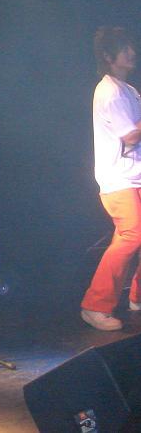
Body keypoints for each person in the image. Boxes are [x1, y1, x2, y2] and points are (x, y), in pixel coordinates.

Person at [81, 26, 141, 331]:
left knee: (132, 235)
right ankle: (95, 305)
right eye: (123, 48)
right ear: (108, 56)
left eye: (131, 47)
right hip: (119, 179)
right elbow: (130, 136)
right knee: (132, 234)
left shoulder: (128, 90)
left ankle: (136, 298)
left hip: (134, 176)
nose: (131, 53)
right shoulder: (110, 91)